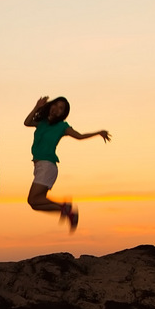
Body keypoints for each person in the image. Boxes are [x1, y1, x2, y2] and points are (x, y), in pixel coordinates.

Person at [24, 96, 110, 232]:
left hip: (47, 166)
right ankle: (65, 209)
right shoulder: (42, 122)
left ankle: (64, 208)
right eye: (56, 105)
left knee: (33, 200)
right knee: (35, 203)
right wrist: (37, 107)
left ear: (63, 113)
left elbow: (79, 136)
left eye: (61, 109)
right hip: (40, 167)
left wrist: (98, 133)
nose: (57, 109)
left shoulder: (62, 126)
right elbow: (27, 122)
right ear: (51, 105)